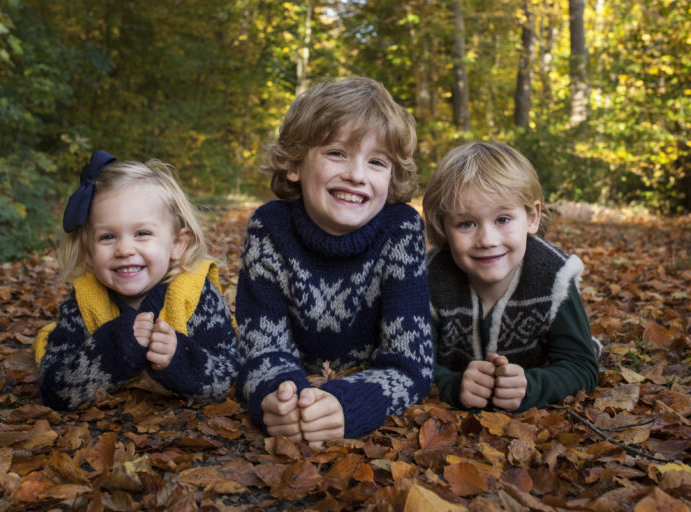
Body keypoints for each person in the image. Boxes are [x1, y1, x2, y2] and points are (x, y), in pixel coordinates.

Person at [234, 77, 434, 443]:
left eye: (376, 162)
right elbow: (263, 349)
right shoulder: (270, 229)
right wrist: (280, 399)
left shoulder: (401, 231)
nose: (356, 175)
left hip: (361, 389)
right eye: (337, 153)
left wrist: (351, 404)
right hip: (296, 391)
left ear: (392, 176)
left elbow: (411, 364)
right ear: (294, 163)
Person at [35, 150, 239, 411]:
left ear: (177, 243)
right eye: (107, 237)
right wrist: (114, 347)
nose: (124, 249)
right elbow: (53, 391)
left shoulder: (195, 295)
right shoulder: (84, 303)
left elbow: (232, 375)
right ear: (88, 252)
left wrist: (178, 357)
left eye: (142, 233)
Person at [423, 141, 599, 412]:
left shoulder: (554, 277)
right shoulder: (429, 279)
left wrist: (531, 386)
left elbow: (581, 366)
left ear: (532, 217)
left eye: (503, 219)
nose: (487, 240)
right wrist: (453, 385)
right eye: (466, 224)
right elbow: (413, 363)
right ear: (444, 228)